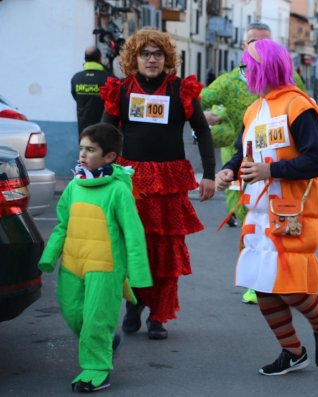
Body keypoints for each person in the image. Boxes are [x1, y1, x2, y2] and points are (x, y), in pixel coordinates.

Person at [215, 39, 318, 376]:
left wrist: (270, 170)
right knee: (262, 286)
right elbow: (242, 151)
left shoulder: (299, 106)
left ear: (264, 68)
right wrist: (230, 169)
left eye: (249, 66)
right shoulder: (253, 110)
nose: (245, 73)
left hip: (293, 212)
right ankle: (293, 352)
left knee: (288, 286)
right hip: (259, 213)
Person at [100, 28, 216, 340]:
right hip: (132, 181)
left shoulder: (180, 90)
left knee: (167, 251)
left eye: (157, 54)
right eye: (145, 54)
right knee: (133, 248)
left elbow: (203, 132)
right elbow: (103, 134)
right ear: (133, 58)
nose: (152, 60)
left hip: (170, 181)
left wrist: (209, 174)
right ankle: (134, 306)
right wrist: (95, 170)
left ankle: (159, 316)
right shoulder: (122, 90)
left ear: (166, 59)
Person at [38, 123, 152, 392]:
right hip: (72, 264)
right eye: (81, 149)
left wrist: (137, 273)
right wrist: (49, 256)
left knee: (95, 318)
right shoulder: (75, 186)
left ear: (110, 157)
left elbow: (134, 235)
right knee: (73, 313)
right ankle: (103, 341)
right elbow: (63, 224)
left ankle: (97, 368)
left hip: (105, 267)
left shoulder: (118, 190)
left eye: (91, 150)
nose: (83, 155)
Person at [201, 22, 307, 305]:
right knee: (251, 225)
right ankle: (256, 283)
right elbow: (198, 100)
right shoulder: (230, 82)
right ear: (243, 46)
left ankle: (286, 287)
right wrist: (212, 118)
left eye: (263, 43)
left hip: (283, 177)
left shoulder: (292, 83)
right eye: (252, 42)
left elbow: (310, 137)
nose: (257, 48)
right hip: (242, 162)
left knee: (284, 236)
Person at [71, 47, 114, 134]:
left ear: (85, 59)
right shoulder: (110, 79)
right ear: (99, 58)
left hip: (84, 132)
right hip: (104, 132)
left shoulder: (76, 78)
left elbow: (76, 97)